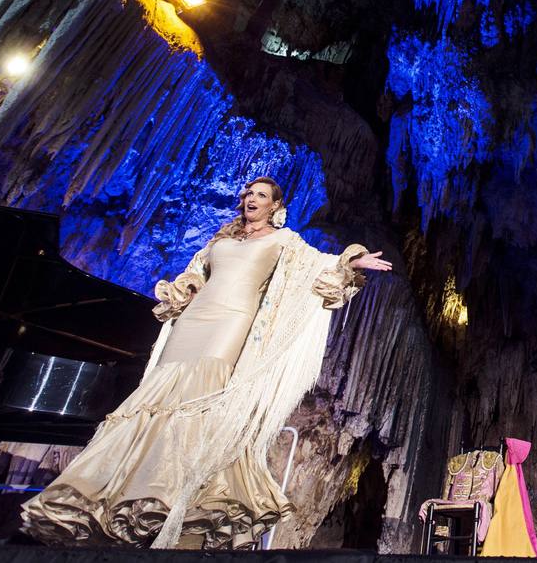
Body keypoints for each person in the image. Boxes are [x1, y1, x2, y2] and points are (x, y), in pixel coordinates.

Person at [20, 177, 392, 549]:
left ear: (276, 207)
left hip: (232, 321)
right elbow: (196, 272)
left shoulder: (284, 241)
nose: (251, 199)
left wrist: (351, 261)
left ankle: (188, 504)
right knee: (158, 401)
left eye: (261, 195)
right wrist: (187, 286)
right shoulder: (220, 240)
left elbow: (318, 267)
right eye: (248, 193)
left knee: (202, 399)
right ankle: (133, 496)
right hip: (195, 319)